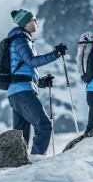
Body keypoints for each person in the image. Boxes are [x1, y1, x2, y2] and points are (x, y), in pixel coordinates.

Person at [5, 8, 65, 155]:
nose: (36, 22)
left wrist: (40, 83)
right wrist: (55, 54)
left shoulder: (19, 39)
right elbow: (31, 61)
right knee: (44, 126)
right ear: (26, 23)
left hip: (17, 92)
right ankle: (36, 162)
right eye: (33, 20)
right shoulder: (20, 39)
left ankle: (18, 165)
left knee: (21, 136)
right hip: (22, 92)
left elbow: (22, 70)